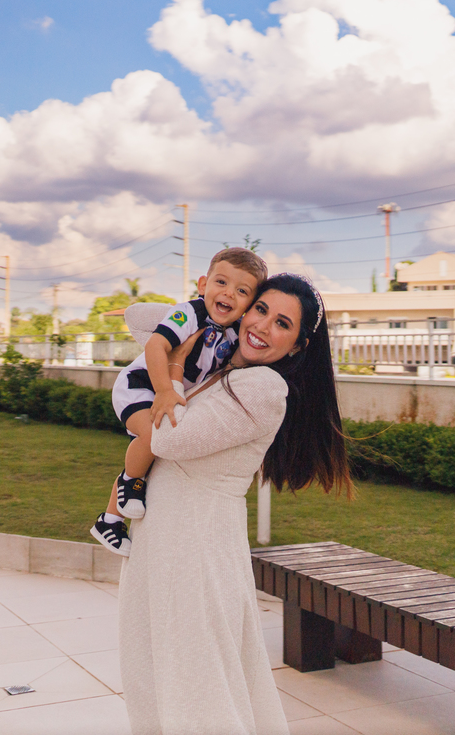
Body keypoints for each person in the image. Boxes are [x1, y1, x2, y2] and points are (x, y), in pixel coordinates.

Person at [119, 274, 351, 735]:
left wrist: (175, 369)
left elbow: (169, 437)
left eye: (282, 322)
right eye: (260, 308)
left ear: (299, 344)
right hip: (165, 540)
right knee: (154, 673)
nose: (262, 326)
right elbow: (136, 318)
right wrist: (204, 306)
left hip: (194, 546)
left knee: (196, 683)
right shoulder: (225, 362)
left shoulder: (264, 388)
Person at [90, 247, 268, 557]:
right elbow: (157, 346)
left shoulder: (234, 332)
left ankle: (109, 521)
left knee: (148, 450)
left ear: (250, 304)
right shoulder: (189, 313)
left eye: (242, 291)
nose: (228, 294)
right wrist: (164, 390)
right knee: (152, 436)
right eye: (221, 283)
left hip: (166, 391)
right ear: (203, 285)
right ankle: (131, 483)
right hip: (140, 386)